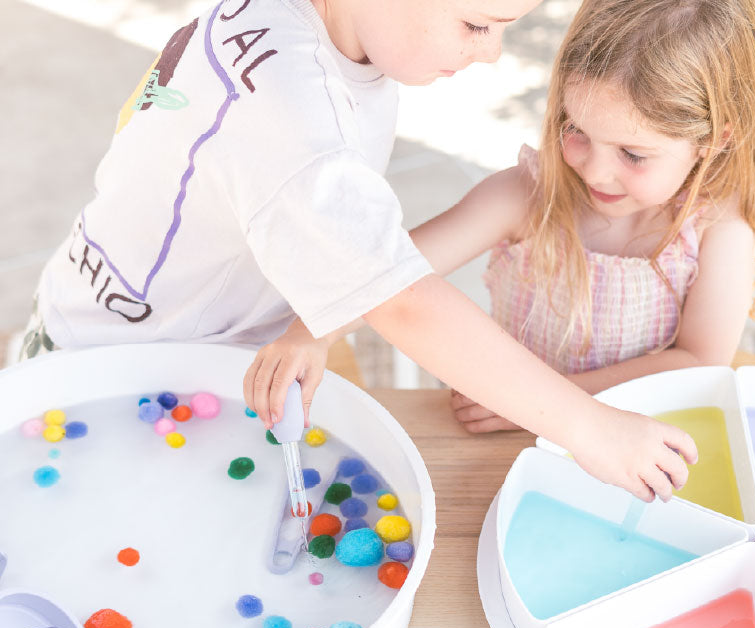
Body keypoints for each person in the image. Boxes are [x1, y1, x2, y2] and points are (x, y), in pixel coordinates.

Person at [22, 0, 695, 501]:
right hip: (118, 383)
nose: (491, 52)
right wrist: (589, 426)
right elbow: (400, 302)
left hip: (138, 328)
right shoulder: (295, 124)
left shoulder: (334, 28)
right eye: (475, 24)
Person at [409, 0, 755, 432]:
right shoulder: (529, 196)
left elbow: (700, 362)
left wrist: (538, 402)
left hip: (639, 442)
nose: (594, 170)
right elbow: (394, 273)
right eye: (576, 131)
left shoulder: (717, 227)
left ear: (714, 139)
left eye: (633, 154)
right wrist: (312, 335)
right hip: (509, 436)